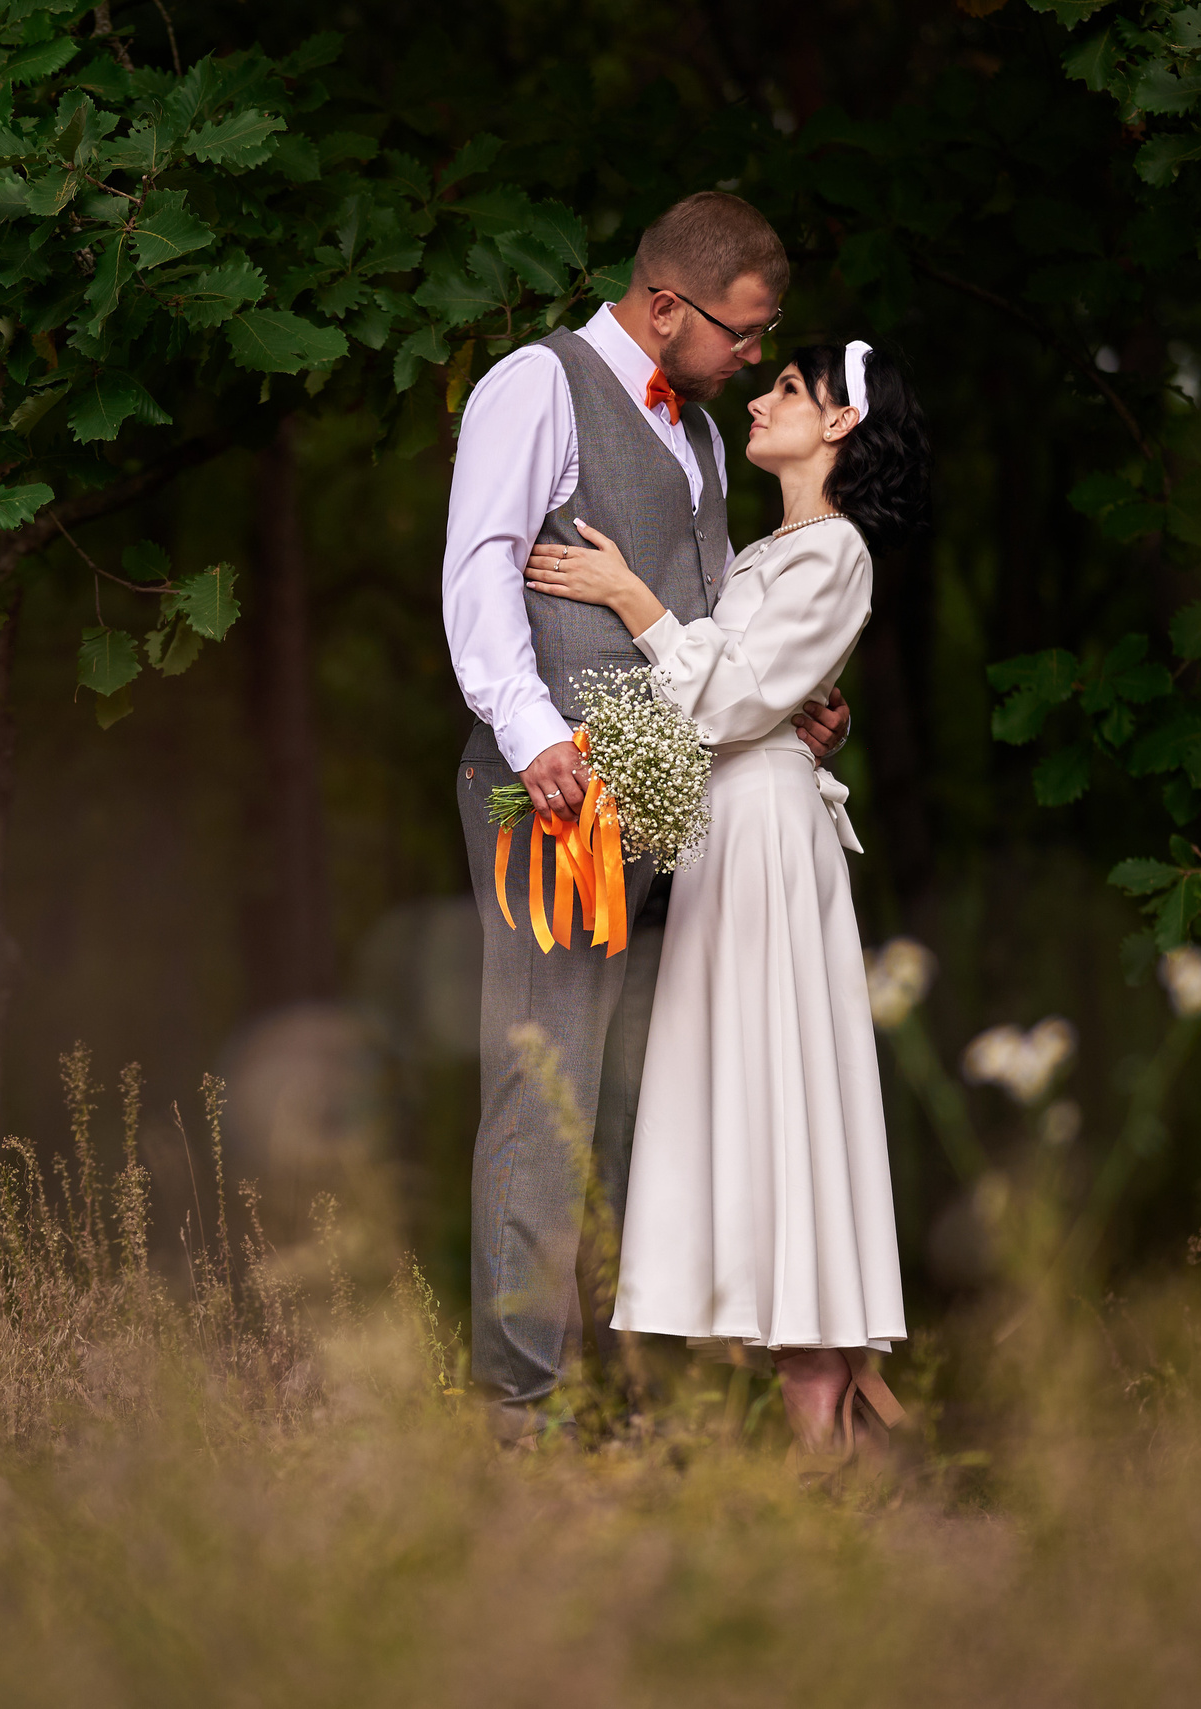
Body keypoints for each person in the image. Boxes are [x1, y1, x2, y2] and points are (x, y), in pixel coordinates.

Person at [440, 191, 850, 1444]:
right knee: (545, 1087)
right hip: (553, 790)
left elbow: (704, 616)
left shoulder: (709, 438)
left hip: (682, 798)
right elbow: (478, 569)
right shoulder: (537, 384)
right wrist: (536, 739)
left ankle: (625, 1408)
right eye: (739, 331)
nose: (750, 354)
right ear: (666, 306)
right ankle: (522, 1414)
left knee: (636, 1106)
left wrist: (789, 710)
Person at [521, 339, 928, 1456]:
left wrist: (629, 596)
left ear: (840, 424)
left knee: (784, 1094)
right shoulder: (770, 550)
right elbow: (746, 691)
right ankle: (813, 1418)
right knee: (745, 1095)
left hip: (763, 845)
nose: (762, 399)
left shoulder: (835, 551)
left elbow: (735, 696)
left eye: (789, 389)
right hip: (723, 838)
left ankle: (822, 1423)